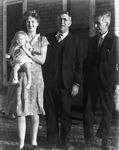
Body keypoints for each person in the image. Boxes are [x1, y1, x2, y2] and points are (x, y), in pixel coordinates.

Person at [7, 10, 49, 150]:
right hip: (19, 78)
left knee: (34, 111)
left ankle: (34, 142)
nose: (30, 24)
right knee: (20, 111)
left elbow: (42, 60)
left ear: (37, 23)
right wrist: (14, 60)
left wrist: (28, 54)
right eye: (28, 22)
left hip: (35, 79)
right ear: (25, 24)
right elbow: (12, 58)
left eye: (33, 22)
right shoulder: (18, 37)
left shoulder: (42, 40)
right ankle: (20, 144)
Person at [42, 11, 83, 150]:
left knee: (66, 114)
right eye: (60, 19)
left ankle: (64, 142)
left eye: (65, 20)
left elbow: (80, 65)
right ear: (56, 21)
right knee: (51, 113)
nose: (62, 22)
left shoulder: (76, 42)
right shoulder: (48, 39)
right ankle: (52, 142)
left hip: (66, 85)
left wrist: (76, 83)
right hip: (49, 84)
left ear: (70, 22)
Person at [83, 11, 119, 150]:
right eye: (95, 23)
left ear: (107, 24)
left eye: (98, 23)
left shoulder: (114, 40)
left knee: (107, 113)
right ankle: (88, 141)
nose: (96, 26)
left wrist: (116, 83)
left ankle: (105, 142)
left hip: (107, 83)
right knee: (88, 111)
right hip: (91, 82)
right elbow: (88, 62)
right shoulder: (92, 41)